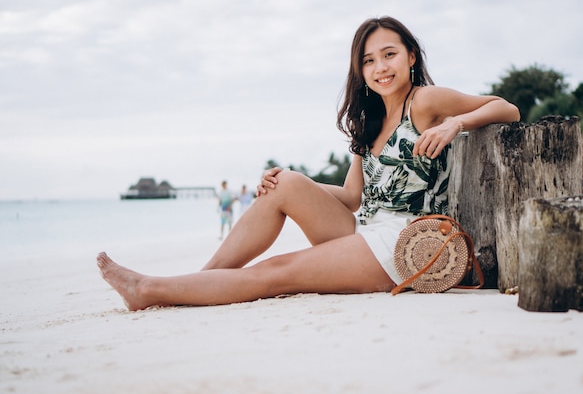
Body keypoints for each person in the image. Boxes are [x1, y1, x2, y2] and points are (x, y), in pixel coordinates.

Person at [97, 16, 520, 310]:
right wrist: (290, 185)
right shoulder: (368, 121)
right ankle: (196, 283)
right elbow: (353, 197)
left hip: (406, 243)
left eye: (389, 55)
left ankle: (153, 289)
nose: (380, 67)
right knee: (285, 181)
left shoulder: (426, 100)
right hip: (365, 229)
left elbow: (508, 109)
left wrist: (455, 124)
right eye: (369, 60)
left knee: (277, 272)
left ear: (411, 56)